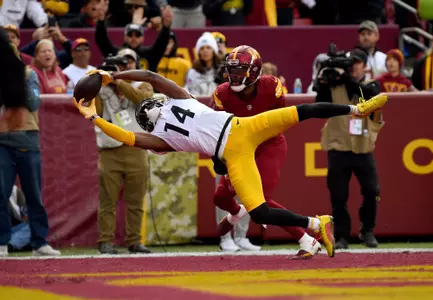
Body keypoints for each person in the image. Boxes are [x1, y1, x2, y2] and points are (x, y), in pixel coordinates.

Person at [74, 67, 389, 259]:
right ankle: (354, 113)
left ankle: (314, 223)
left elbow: (127, 137)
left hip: (236, 140)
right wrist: (111, 77)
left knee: (261, 205)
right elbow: (150, 77)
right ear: (157, 104)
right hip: (240, 133)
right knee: (301, 114)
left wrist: (95, 118)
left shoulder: (160, 139)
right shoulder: (178, 101)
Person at [212, 45, 320, 258]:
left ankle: (306, 238)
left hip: (268, 144)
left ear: (253, 72)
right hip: (237, 149)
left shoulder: (272, 87)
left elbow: (279, 121)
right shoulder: (222, 93)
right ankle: (238, 211)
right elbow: (217, 130)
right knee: (220, 197)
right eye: (231, 71)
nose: (234, 76)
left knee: (260, 202)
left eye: (239, 71)